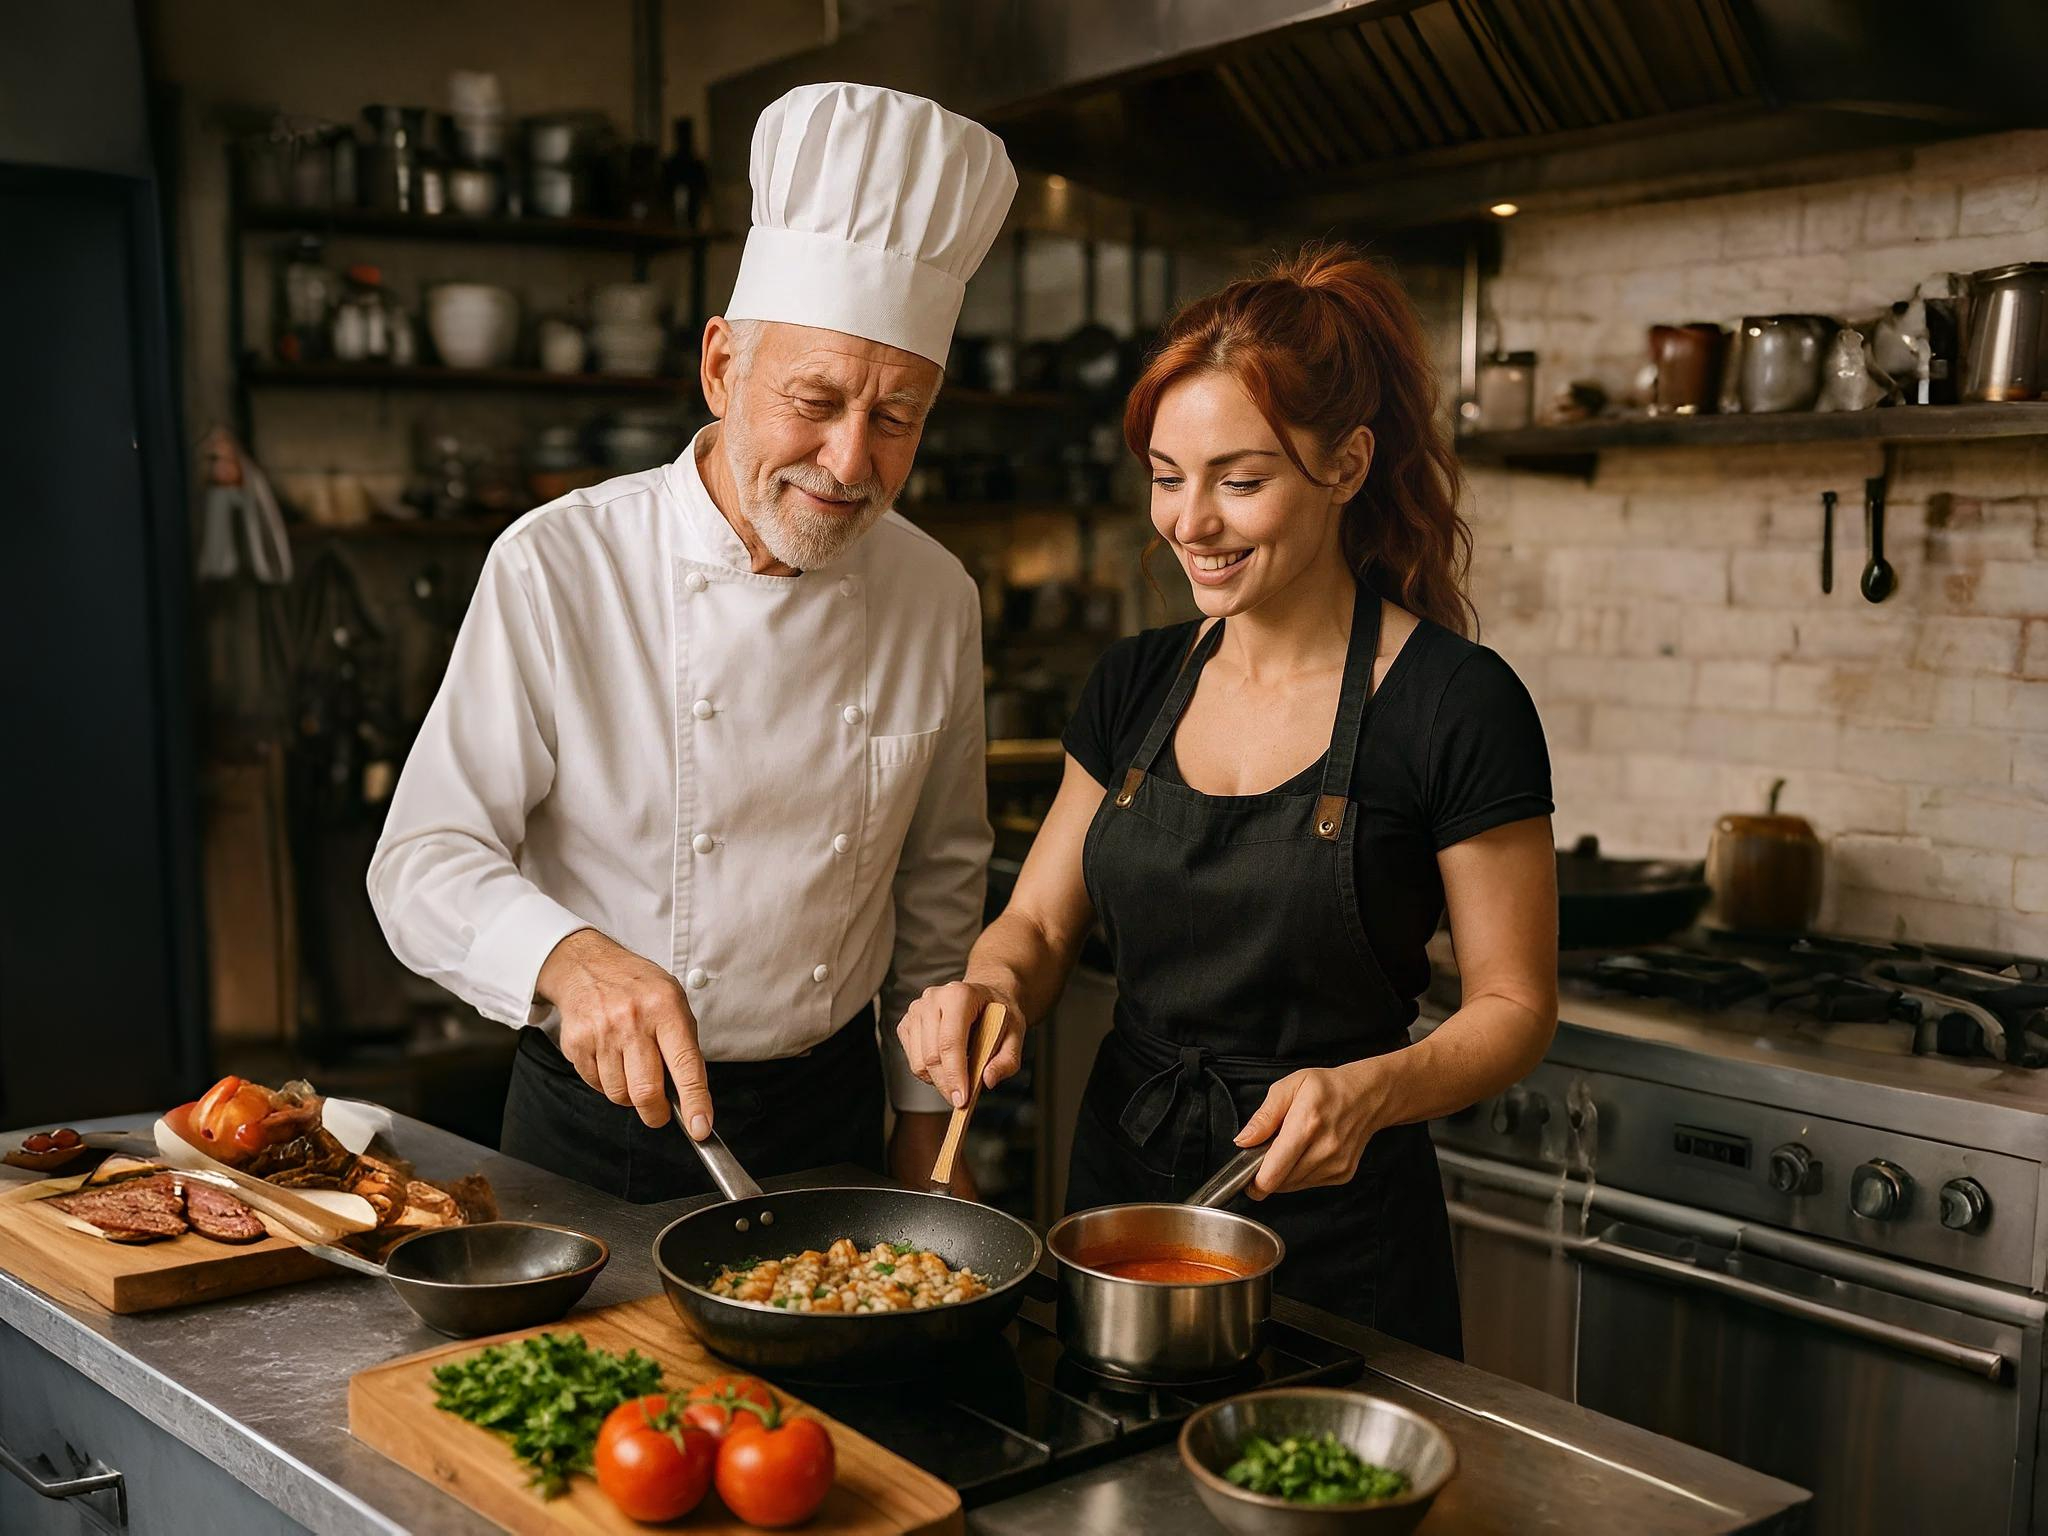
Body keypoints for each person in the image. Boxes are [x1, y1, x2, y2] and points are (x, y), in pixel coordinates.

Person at [895, 245, 1559, 1353]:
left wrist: (1370, 1093)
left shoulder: (1456, 702)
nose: (1188, 523)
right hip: (1116, 1203)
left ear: (1345, 466)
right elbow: (1043, 922)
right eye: (1165, 476)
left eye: (1237, 481)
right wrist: (988, 990)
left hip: (1337, 1227)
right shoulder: (1134, 683)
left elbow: (1512, 1010)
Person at [368, 83, 1017, 1201]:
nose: (850, 462)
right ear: (721, 367)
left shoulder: (933, 594)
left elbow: (940, 885)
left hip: (831, 1120)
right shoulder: (561, 563)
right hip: (597, 1130)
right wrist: (567, 960)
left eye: (897, 417)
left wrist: (923, 1127)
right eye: (812, 400)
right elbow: (421, 863)